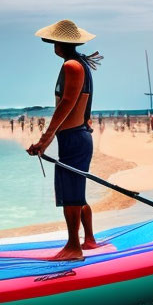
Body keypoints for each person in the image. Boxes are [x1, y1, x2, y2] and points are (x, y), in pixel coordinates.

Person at [27, 19, 104, 261]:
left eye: (53, 42)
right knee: (76, 190)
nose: (52, 46)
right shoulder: (80, 64)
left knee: (71, 193)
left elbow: (68, 104)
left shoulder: (72, 66)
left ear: (60, 43)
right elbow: (83, 101)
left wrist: (45, 139)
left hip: (73, 137)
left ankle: (73, 248)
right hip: (78, 136)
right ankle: (89, 240)